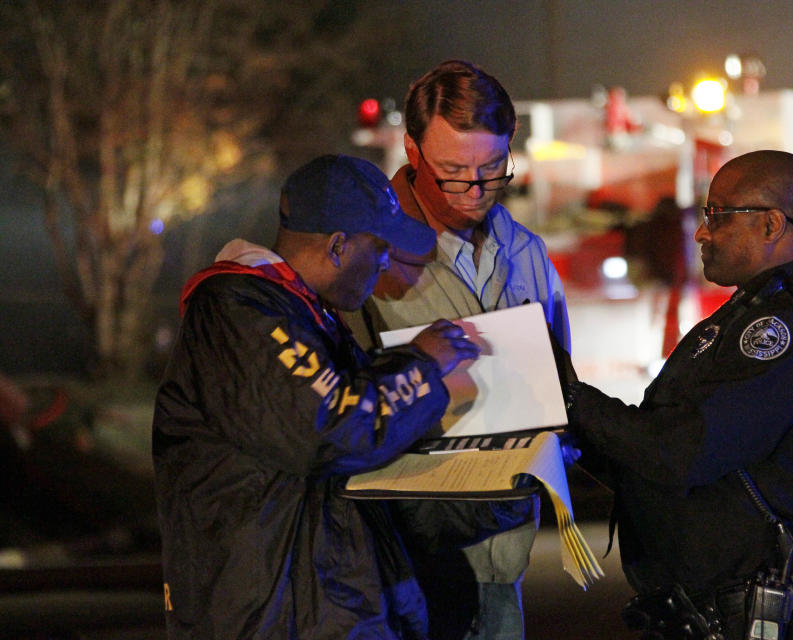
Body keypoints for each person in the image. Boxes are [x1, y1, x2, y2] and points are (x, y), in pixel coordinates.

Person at [151, 154, 537, 639]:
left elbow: (376, 490)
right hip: (271, 624)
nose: (385, 264)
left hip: (327, 618)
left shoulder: (308, 321)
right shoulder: (237, 312)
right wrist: (422, 365)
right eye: (379, 248)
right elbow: (334, 426)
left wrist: (515, 483)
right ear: (338, 246)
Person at [564, 150, 793, 639]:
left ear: (770, 224)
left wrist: (573, 400)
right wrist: (570, 429)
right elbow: (655, 457)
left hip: (767, 621)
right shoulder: (743, 317)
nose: (702, 231)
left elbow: (684, 451)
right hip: (714, 616)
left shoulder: (792, 329)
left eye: (717, 215)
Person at [342, 60, 570, 640]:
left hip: (504, 564)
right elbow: (340, 415)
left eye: (492, 169)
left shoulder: (527, 254)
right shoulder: (366, 258)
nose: (474, 190)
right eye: (453, 171)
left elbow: (561, 385)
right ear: (412, 152)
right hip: (407, 572)